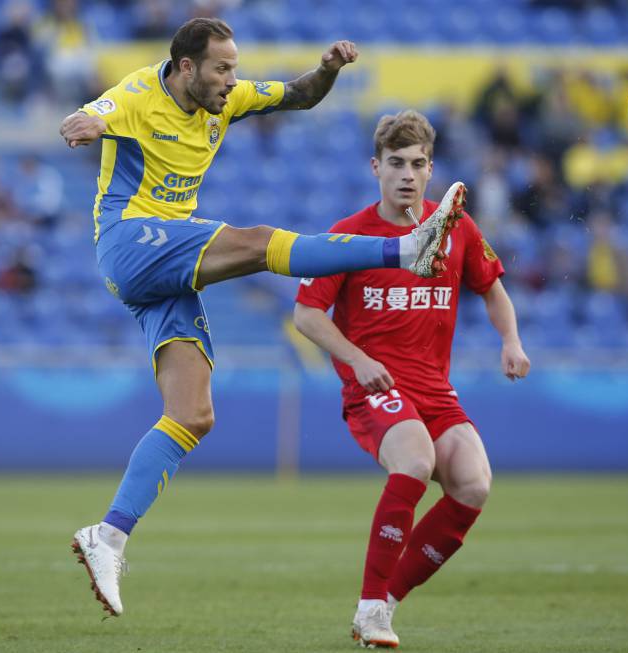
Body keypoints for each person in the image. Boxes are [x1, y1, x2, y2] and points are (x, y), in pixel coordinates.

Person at [60, 17, 464, 618]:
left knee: (192, 414)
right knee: (257, 242)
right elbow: (96, 113)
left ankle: (109, 536)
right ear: (187, 67)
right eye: (221, 68)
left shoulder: (228, 98)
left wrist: (327, 70)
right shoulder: (139, 93)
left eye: (235, 67)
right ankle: (406, 250)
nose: (232, 79)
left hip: (165, 269)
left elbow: (299, 95)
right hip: (130, 242)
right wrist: (86, 123)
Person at [293, 110, 531, 648]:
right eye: (396, 163)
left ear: (430, 170)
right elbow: (306, 315)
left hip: (434, 390)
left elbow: (493, 289)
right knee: (417, 460)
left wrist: (511, 340)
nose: (406, 174)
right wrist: (357, 360)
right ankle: (371, 605)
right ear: (375, 167)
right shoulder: (348, 236)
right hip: (375, 388)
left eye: (417, 164)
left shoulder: (457, 229)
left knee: (473, 484)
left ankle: (386, 603)